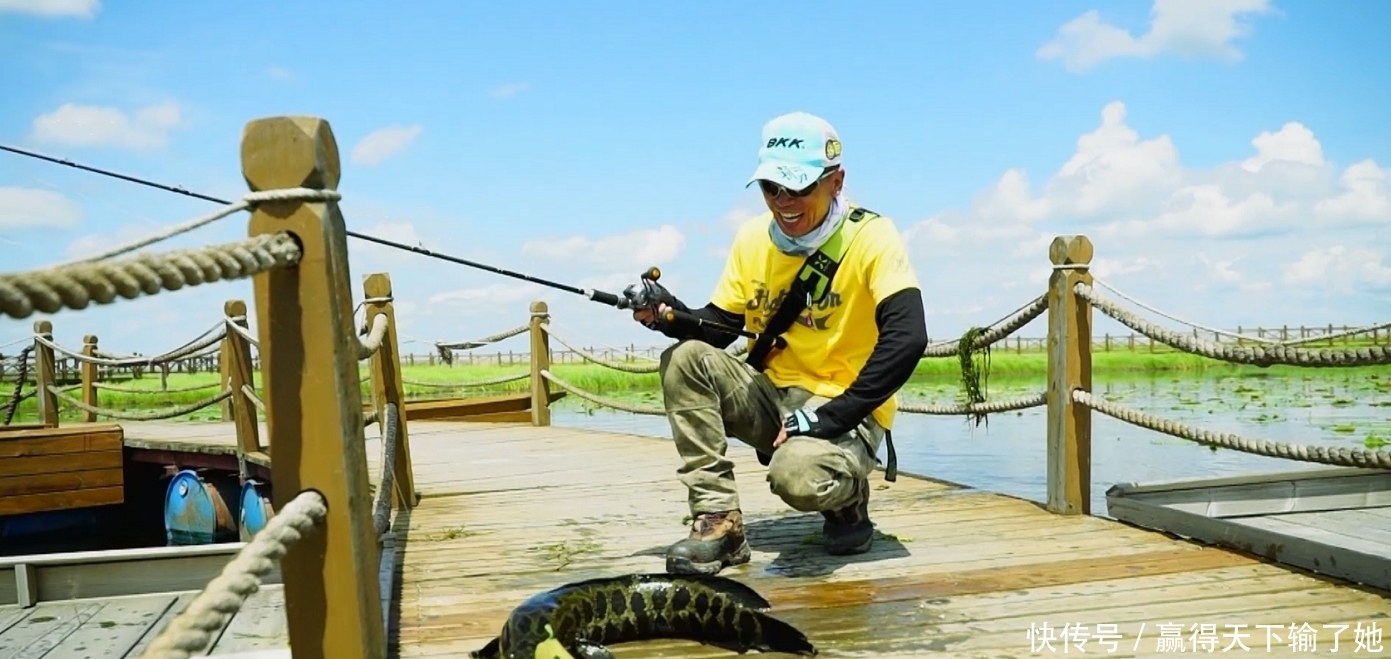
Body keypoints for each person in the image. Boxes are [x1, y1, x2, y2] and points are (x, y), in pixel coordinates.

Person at [630, 111, 929, 576]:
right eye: (772, 188)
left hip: (844, 405)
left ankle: (847, 498)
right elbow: (721, 327)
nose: (784, 202)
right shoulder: (752, 238)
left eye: (799, 188)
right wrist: (670, 315)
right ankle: (719, 521)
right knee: (685, 359)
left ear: (836, 181)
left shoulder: (873, 236)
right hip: (773, 396)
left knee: (795, 476)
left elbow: (908, 337)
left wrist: (829, 417)